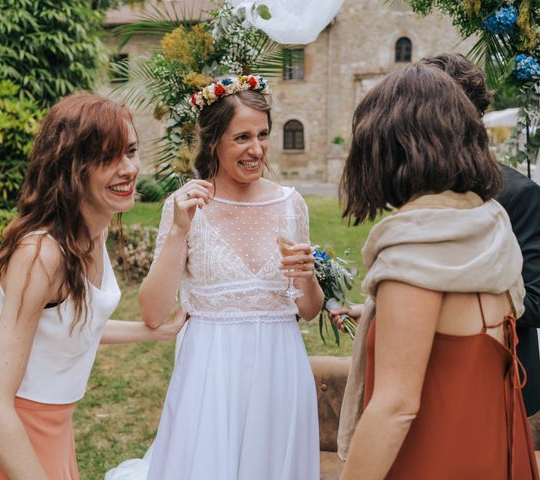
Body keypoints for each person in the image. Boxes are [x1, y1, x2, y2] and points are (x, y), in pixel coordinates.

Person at [0, 93, 185, 480]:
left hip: (55, 428)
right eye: (108, 157)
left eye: (130, 151)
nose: (128, 168)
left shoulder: (94, 230)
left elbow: (70, 325)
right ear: (71, 166)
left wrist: (157, 331)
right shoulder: (40, 254)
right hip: (8, 434)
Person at [337, 65, 538, 479]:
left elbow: (396, 406)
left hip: (430, 457)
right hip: (494, 450)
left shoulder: (418, 245)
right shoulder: (490, 226)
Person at [127, 74, 322, 480]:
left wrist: (308, 278)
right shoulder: (184, 207)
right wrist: (180, 230)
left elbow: (307, 311)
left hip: (280, 368)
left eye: (263, 135)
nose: (257, 149)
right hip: (209, 371)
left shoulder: (292, 204)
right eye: (242, 138)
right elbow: (152, 312)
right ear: (214, 140)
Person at [419, 52, 540, 416]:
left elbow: (534, 301)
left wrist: (425, 309)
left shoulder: (519, 194)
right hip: (427, 375)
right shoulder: (418, 188)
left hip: (498, 382)